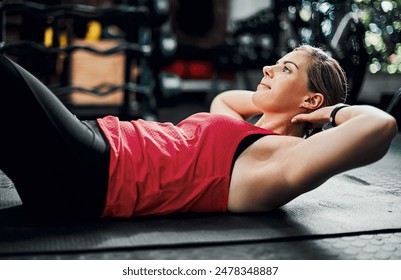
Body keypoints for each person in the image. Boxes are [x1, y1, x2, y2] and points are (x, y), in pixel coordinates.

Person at [0, 45, 397, 221]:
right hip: (89, 146)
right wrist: (284, 100)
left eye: (285, 69)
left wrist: (331, 110)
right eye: (274, 64)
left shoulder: (274, 159)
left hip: (92, 170)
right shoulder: (238, 124)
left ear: (311, 101)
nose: (267, 70)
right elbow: (228, 97)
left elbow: (380, 126)